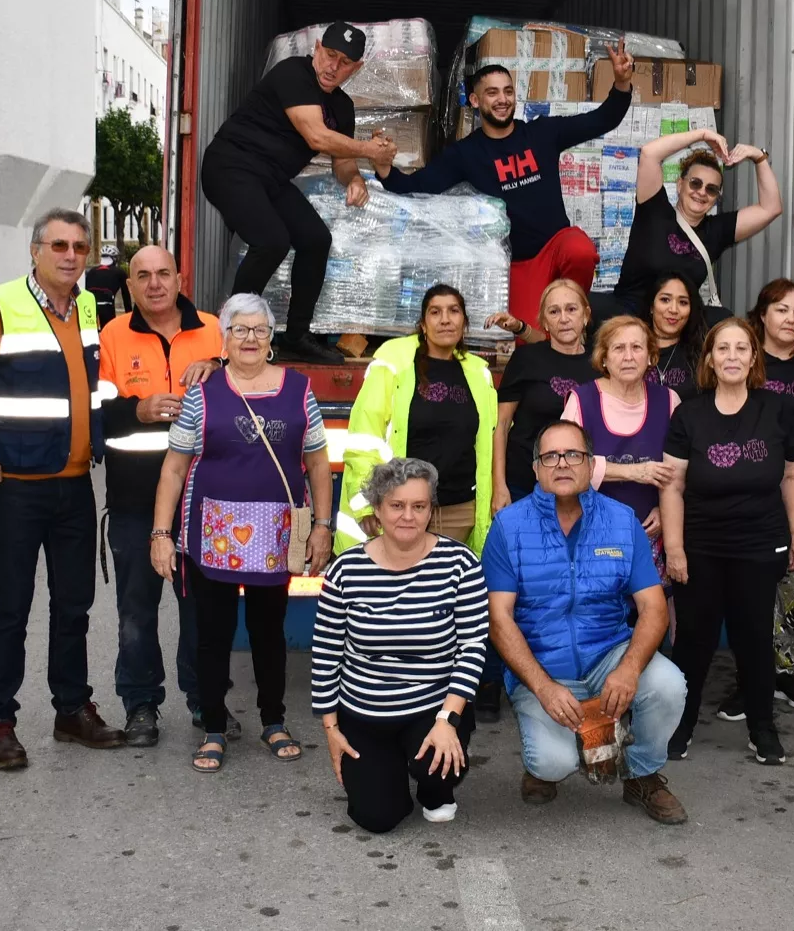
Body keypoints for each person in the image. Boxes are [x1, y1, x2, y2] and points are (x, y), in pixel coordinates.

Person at [0, 208, 121, 768]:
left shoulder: (88, 305)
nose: (71, 256)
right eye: (59, 245)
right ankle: (0, 722)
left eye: (80, 247)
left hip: (74, 485)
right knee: (10, 608)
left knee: (74, 606)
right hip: (15, 488)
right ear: (35, 251)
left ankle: (71, 710)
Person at [147, 294, 335, 772]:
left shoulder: (299, 390)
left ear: (271, 338)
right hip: (212, 537)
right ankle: (213, 726)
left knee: (268, 632)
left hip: (275, 537)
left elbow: (317, 464)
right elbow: (174, 468)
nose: (250, 338)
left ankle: (274, 720)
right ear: (225, 338)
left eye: (260, 329)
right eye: (240, 329)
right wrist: (161, 534)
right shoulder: (202, 393)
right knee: (212, 634)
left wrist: (322, 526)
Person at [486, 420, 689, 824]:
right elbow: (498, 618)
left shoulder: (622, 521)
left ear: (591, 464)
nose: (562, 463)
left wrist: (628, 670)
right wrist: (544, 688)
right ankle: (558, 754)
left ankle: (641, 774)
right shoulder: (508, 527)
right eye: (550, 456)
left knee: (669, 685)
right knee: (552, 763)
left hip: (607, 655)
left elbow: (653, 607)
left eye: (573, 455)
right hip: (541, 666)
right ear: (536, 468)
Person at [376, 46, 635, 338]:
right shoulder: (465, 154)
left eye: (508, 91)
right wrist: (384, 168)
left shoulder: (542, 133)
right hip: (518, 264)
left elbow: (603, 119)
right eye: (492, 93)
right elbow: (416, 187)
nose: (503, 99)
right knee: (528, 338)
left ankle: (574, 316)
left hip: (557, 246)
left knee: (581, 250)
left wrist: (621, 82)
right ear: (475, 100)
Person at [199, 21, 399, 365]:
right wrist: (371, 150)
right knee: (271, 241)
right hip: (231, 165)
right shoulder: (293, 73)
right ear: (317, 48)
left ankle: (296, 337)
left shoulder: (342, 108)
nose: (333, 66)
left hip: (271, 179)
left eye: (345, 62)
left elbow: (342, 163)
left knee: (316, 239)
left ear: (356, 68)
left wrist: (355, 180)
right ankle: (232, 335)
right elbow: (317, 137)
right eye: (330, 54)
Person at [314, 458, 489, 832]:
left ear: (430, 509)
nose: (408, 516)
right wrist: (331, 729)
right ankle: (390, 767)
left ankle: (434, 786)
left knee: (435, 769)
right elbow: (326, 652)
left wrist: (447, 719)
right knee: (377, 818)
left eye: (419, 505)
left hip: (432, 705)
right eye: (397, 505)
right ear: (377, 509)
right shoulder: (345, 570)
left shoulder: (461, 564)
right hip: (364, 710)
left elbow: (473, 646)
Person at [661, 318, 794, 765]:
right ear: (709, 358)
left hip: (760, 545)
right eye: (722, 348)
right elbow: (672, 485)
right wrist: (674, 549)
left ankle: (762, 728)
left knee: (755, 639)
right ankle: (680, 724)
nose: (732, 357)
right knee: (694, 640)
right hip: (701, 546)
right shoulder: (689, 414)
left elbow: (793, 474)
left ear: (753, 357)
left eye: (741, 348)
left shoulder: (776, 409)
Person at [97, 245, 216, 743]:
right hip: (133, 501)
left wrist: (218, 365)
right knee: (136, 611)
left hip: (203, 500)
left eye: (163, 273)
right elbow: (96, 413)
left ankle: (205, 700)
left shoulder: (214, 330)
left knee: (201, 611)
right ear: (129, 286)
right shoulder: (112, 335)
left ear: (180, 278)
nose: (154, 284)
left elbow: (253, 376)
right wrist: (138, 410)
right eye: (142, 276)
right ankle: (141, 705)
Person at [716, 279, 794, 720]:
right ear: (761, 315)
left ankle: (787, 671)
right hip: (752, 496)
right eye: (781, 309)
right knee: (750, 592)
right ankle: (750, 676)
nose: (790, 319)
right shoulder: (743, 358)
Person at [338, 284, 498, 554]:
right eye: (435, 312)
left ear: (464, 322)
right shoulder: (394, 363)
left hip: (460, 512)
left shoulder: (478, 374)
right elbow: (365, 438)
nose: (445, 319)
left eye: (453, 311)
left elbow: (490, 442)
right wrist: (367, 504)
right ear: (423, 324)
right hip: (403, 511)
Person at [608, 128, 782, 322]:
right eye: (695, 183)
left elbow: (771, 208)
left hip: (676, 324)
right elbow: (650, 154)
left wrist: (758, 157)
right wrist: (702, 135)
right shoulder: (654, 210)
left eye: (711, 189)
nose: (701, 192)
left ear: (716, 198)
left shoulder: (716, 231)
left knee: (724, 319)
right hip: (630, 318)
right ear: (680, 184)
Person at [560, 314, 679, 566]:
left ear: (650, 356)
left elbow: (680, 472)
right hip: (590, 532)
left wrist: (665, 510)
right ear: (603, 358)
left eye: (637, 347)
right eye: (618, 348)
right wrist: (634, 471)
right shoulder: (581, 400)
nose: (628, 357)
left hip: (650, 535)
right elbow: (566, 465)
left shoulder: (669, 400)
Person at [491, 279, 596, 507]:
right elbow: (501, 425)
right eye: (554, 311)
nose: (564, 319)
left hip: (579, 486)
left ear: (586, 315)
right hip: (523, 483)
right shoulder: (525, 359)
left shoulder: (601, 363)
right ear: (545, 322)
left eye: (571, 309)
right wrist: (499, 486)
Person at [644, 275, 703, 392]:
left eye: (683, 302)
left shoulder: (702, 355)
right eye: (665, 300)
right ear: (651, 306)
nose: (673, 310)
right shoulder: (631, 349)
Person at [83, 245, 127, 330]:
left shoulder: (91, 272)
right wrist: (129, 314)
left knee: (90, 332)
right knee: (108, 332)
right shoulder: (120, 272)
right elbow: (126, 295)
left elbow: (86, 290)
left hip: (90, 307)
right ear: (114, 259)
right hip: (107, 306)